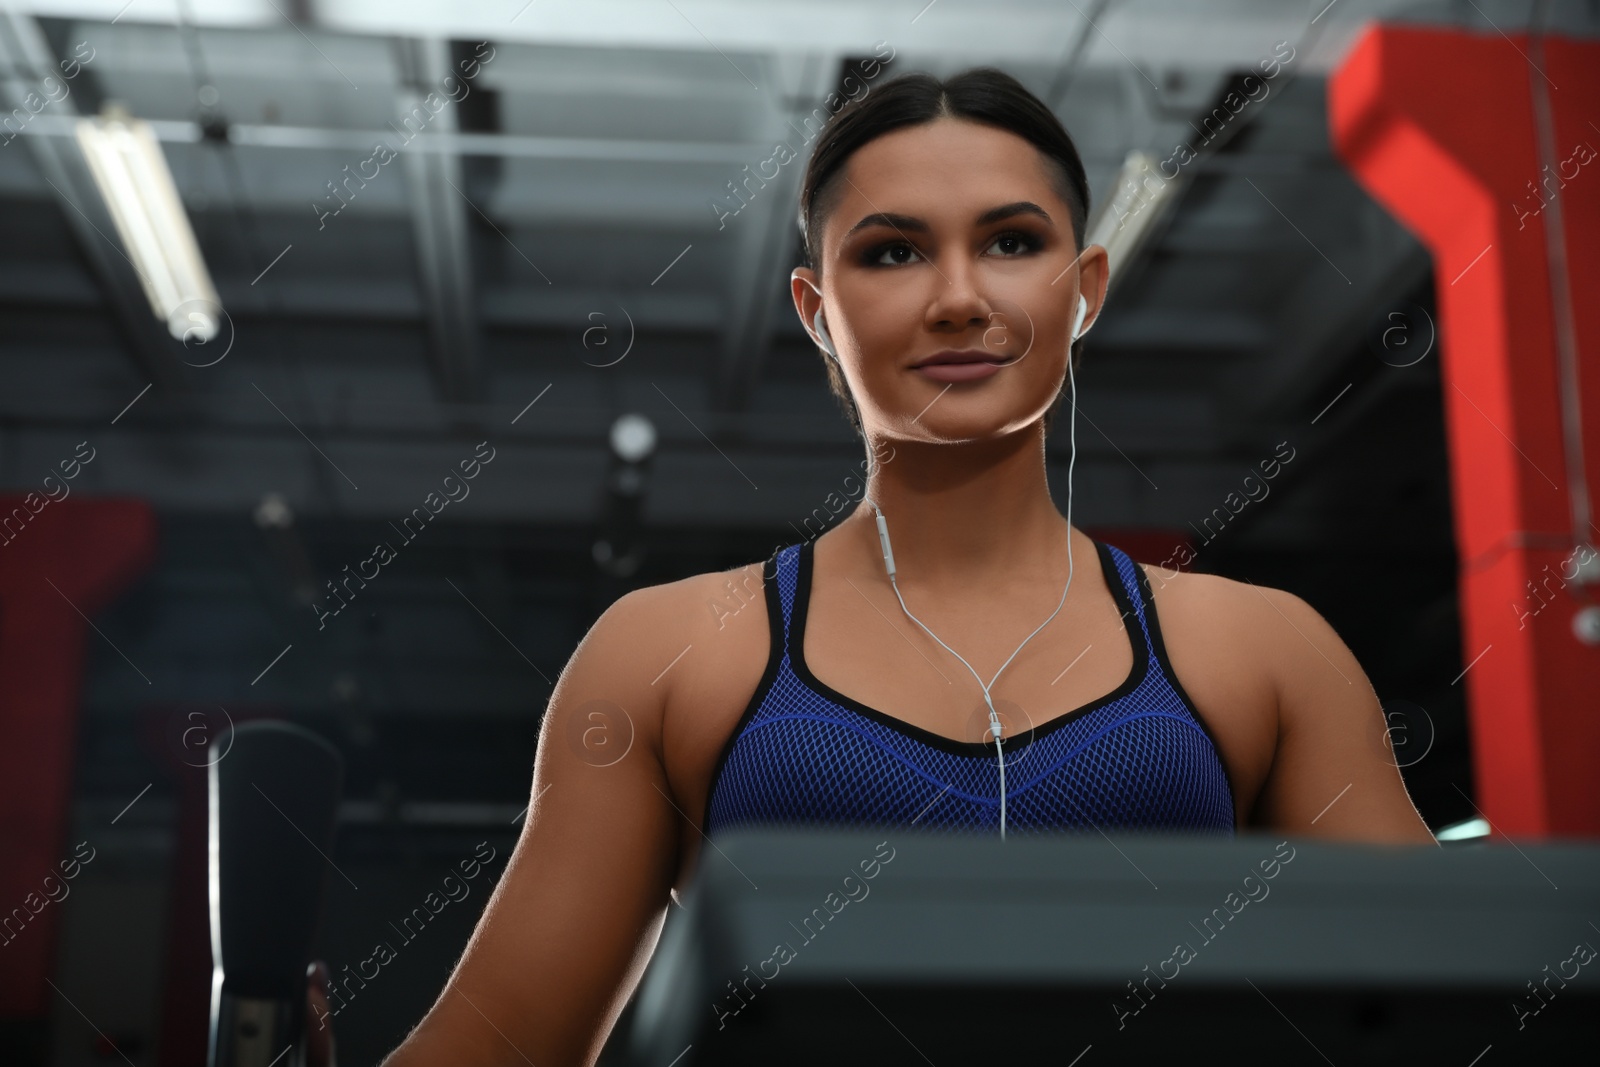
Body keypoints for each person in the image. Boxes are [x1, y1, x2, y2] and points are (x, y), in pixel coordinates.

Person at [363, 68, 1433, 1067]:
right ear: (816, 311)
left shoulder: (1262, 648)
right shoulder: (669, 652)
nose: (959, 297)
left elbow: (1456, 1000)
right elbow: (496, 1047)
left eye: (1013, 242)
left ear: (1084, 287)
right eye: (891, 252)